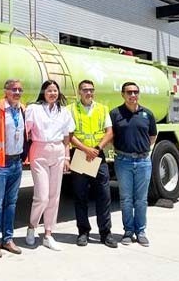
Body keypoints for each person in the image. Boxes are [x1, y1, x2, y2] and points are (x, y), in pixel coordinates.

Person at [24, 80, 74, 251]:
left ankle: (48, 233)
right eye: (49, 90)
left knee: (54, 195)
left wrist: (67, 156)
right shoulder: (34, 109)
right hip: (39, 150)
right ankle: (32, 227)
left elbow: (67, 136)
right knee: (42, 196)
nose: (52, 93)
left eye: (55, 90)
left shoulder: (64, 112)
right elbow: (26, 131)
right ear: (43, 92)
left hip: (58, 150)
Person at [66, 80, 117, 248]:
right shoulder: (71, 109)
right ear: (79, 92)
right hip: (79, 154)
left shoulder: (102, 109)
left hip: (97, 155)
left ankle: (105, 233)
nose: (89, 93)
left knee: (104, 195)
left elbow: (109, 132)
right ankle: (83, 232)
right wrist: (86, 149)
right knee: (80, 196)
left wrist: (96, 148)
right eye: (85, 90)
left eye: (91, 90)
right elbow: (69, 134)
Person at [111, 81, 157, 247]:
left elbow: (152, 136)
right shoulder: (115, 114)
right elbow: (110, 135)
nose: (132, 95)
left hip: (143, 161)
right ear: (122, 94)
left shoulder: (147, 114)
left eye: (135, 92)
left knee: (141, 200)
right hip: (123, 161)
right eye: (129, 92)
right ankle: (128, 231)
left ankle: (141, 231)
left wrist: (141, 150)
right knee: (126, 199)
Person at [0, 79, 26, 257]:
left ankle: (7, 239)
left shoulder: (21, 109)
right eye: (13, 89)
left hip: (16, 162)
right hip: (1, 162)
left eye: (19, 90)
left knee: (11, 203)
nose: (17, 92)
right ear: (5, 91)